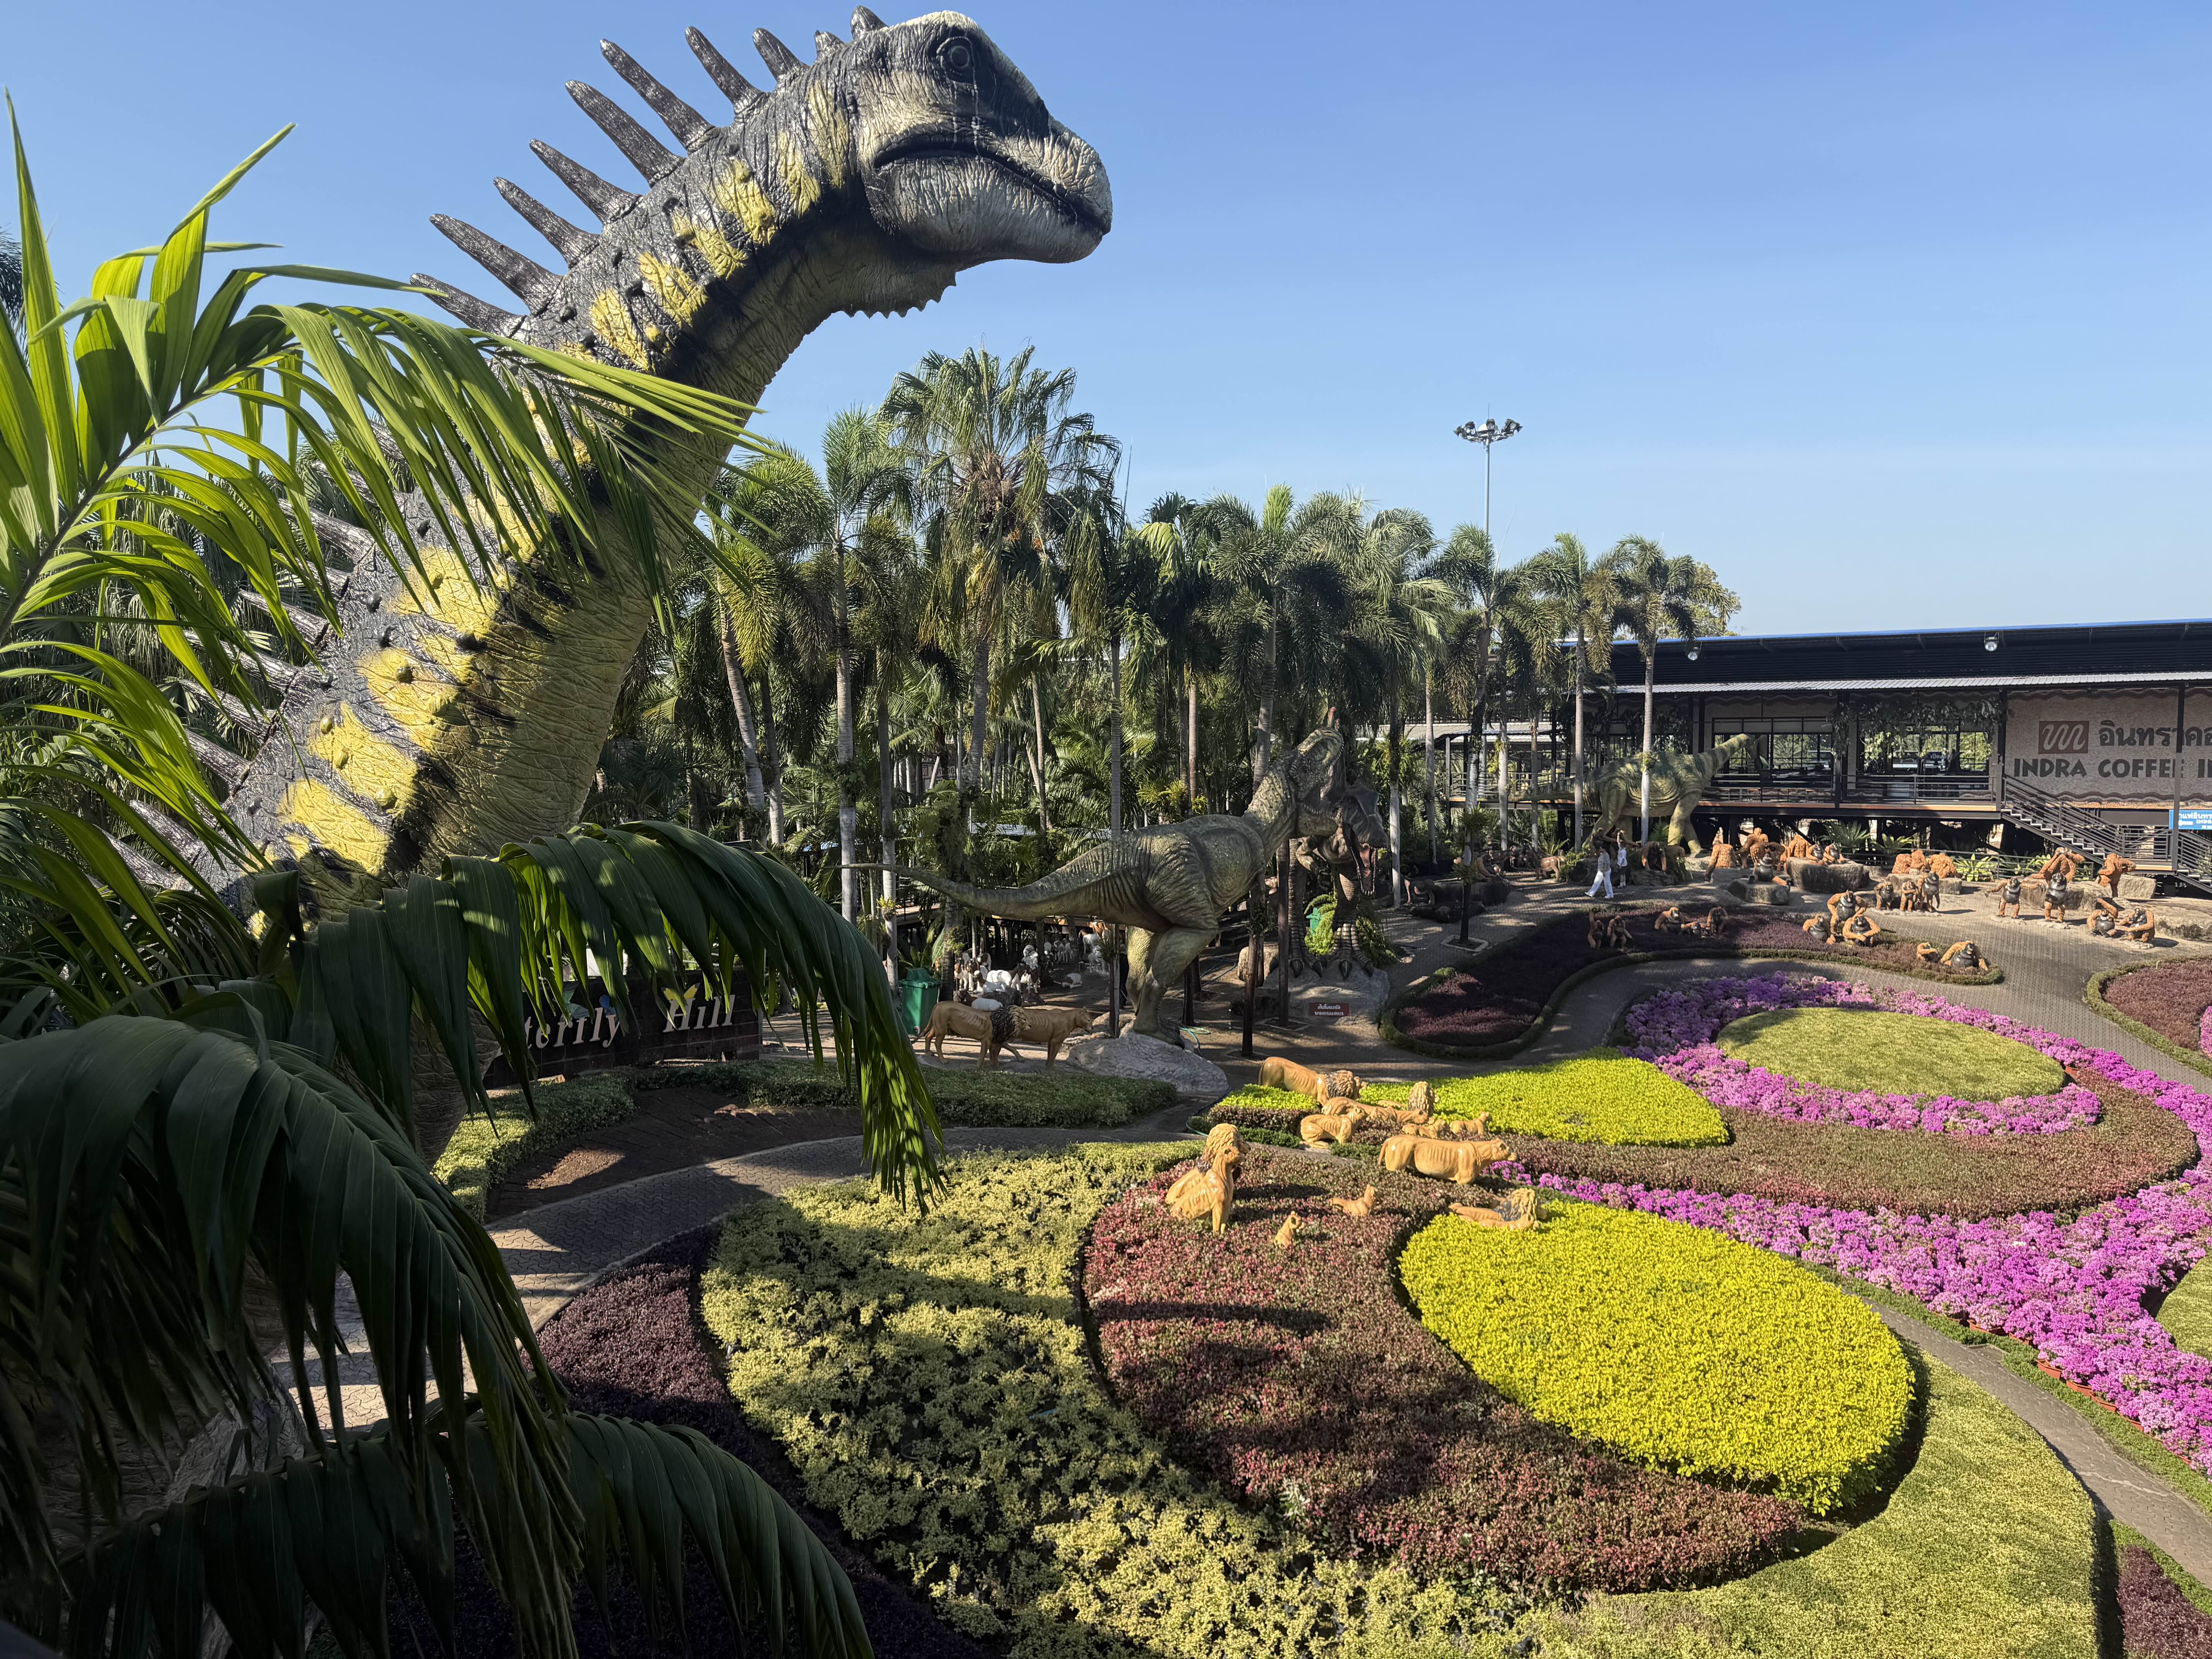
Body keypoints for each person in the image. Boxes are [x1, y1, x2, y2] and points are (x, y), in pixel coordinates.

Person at [1586, 831, 1628, 900]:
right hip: (1601, 871)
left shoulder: (1607, 855)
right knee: (1597, 882)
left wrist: (1604, 872)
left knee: (1607, 883)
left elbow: (1607, 864)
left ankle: (1610, 894)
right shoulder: (1602, 855)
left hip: (1605, 871)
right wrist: (1618, 836)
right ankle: (1591, 893)